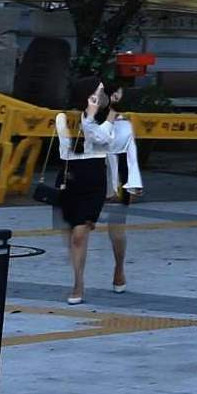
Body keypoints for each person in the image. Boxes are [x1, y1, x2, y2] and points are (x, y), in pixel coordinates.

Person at [51, 80, 144, 303]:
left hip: (110, 179)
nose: (107, 96)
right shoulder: (67, 118)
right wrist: (95, 118)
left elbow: (126, 151)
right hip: (76, 177)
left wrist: (134, 182)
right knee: (77, 235)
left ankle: (119, 268)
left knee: (117, 232)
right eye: (100, 92)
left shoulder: (120, 122)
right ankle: (78, 283)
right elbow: (76, 146)